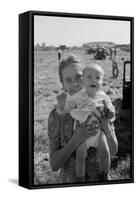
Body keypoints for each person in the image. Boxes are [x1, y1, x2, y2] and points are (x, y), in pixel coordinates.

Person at [48, 55, 118, 183]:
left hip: (100, 183)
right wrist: (75, 140)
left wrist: (106, 125)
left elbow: (113, 151)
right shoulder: (56, 115)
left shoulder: (100, 105)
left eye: (79, 77)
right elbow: (54, 165)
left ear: (86, 77)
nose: (75, 84)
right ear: (62, 84)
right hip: (71, 185)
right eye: (68, 80)